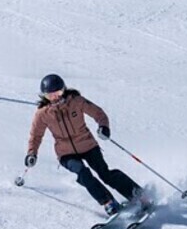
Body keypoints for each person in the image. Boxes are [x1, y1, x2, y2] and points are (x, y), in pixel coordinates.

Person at [24, 74, 147, 217]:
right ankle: (108, 202)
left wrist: (103, 127)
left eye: (58, 93)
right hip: (66, 153)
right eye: (50, 95)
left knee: (105, 174)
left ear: (64, 90)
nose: (55, 98)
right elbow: (35, 136)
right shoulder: (42, 114)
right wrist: (32, 153)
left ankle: (138, 195)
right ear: (44, 96)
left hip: (87, 145)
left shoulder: (76, 101)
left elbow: (98, 113)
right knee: (83, 173)